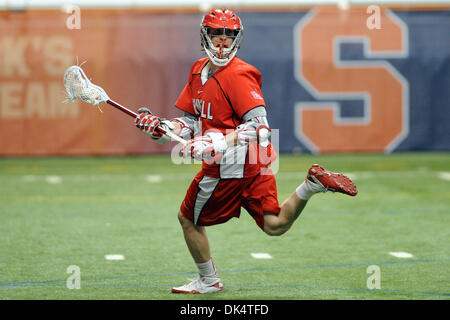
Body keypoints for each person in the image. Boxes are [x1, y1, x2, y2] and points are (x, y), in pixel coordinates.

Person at [135, 9, 357, 294]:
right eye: (217, 34)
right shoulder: (198, 70)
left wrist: (213, 143)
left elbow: (260, 127)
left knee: (188, 219)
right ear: (205, 35)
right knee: (274, 225)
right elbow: (192, 122)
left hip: (232, 165)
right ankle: (311, 185)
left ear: (237, 39)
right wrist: (162, 126)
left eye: (229, 35)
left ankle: (209, 280)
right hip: (258, 161)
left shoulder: (239, 74)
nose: (222, 42)